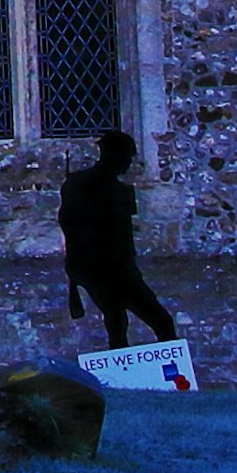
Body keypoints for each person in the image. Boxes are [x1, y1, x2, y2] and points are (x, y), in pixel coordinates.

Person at [58, 130, 178, 350]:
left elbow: (122, 236)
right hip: (101, 268)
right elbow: (73, 228)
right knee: (142, 321)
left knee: (122, 323)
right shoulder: (87, 186)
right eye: (127, 157)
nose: (128, 163)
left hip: (110, 268)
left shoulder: (94, 186)